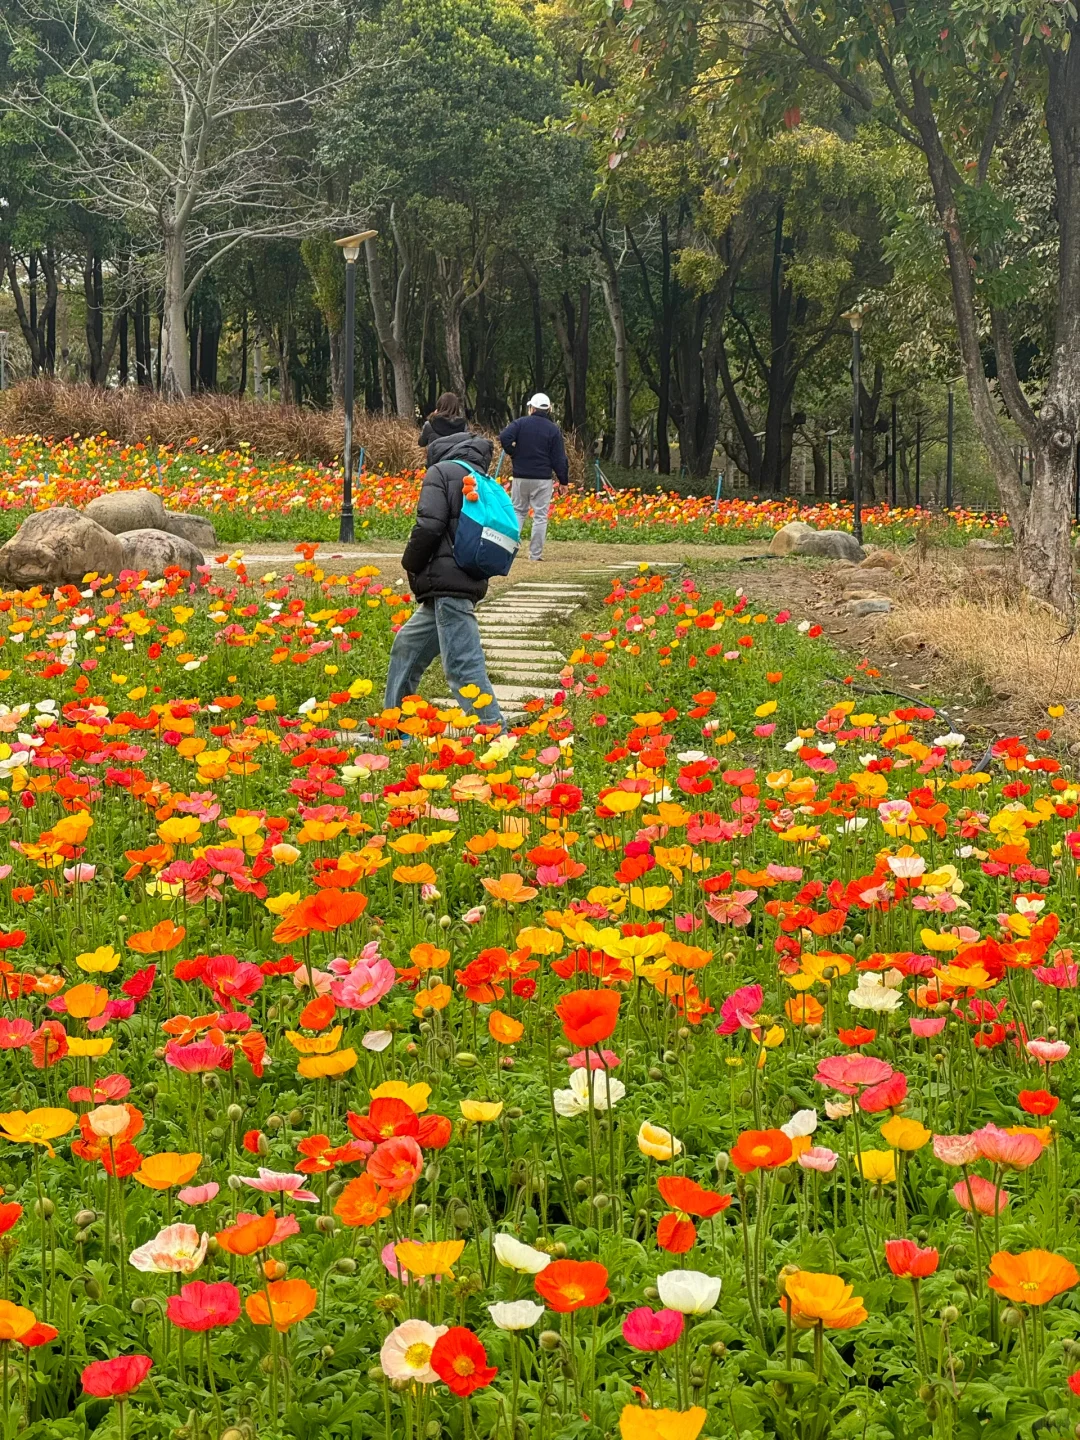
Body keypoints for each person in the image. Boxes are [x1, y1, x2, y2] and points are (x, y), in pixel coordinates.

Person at [384, 428, 503, 730]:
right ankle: (395, 727)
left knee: (462, 665)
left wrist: (410, 563)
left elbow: (429, 525)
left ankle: (493, 733)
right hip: (456, 580)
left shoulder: (441, 471)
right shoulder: (479, 476)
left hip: (449, 584)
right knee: (407, 645)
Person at [499, 392, 569, 561]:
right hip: (542, 479)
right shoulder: (553, 429)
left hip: (520, 477)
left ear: (532, 408)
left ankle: (509, 550)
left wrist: (514, 453)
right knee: (540, 516)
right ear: (548, 409)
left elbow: (504, 437)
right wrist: (563, 480)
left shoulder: (521, 423)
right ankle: (535, 555)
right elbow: (559, 458)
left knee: (517, 511)